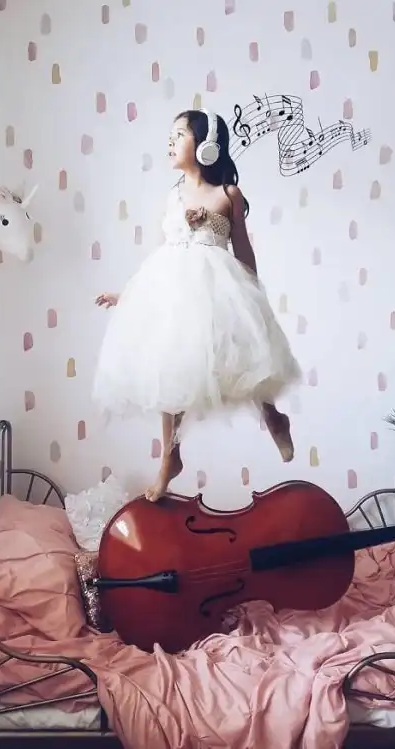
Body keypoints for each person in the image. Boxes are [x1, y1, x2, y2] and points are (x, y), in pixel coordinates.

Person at [93, 108, 302, 502]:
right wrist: (129, 297)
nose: (170, 142)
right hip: (176, 293)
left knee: (245, 351)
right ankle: (169, 457)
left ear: (206, 145)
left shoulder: (228, 194)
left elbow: (243, 250)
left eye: (179, 135)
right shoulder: (173, 196)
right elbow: (163, 256)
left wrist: (253, 295)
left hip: (219, 288)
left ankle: (273, 417)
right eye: (171, 136)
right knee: (169, 366)